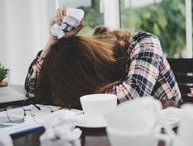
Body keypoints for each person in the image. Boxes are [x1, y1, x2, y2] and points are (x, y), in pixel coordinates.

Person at [25, 8, 182, 109]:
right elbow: (32, 89)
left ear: (93, 67)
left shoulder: (144, 43)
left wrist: (73, 98)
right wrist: (52, 43)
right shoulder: (90, 80)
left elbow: (130, 99)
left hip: (168, 132)